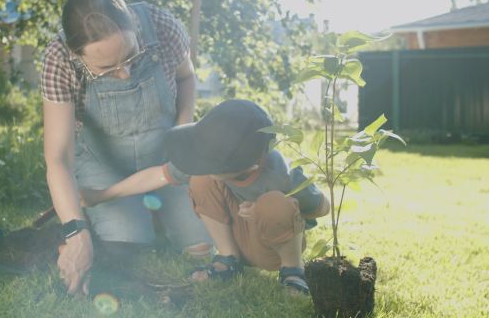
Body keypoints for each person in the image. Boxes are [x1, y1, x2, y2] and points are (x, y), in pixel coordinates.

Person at [41, 0, 211, 295]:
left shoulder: (161, 24)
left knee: (201, 244)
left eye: (131, 56)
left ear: (133, 24)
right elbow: (57, 158)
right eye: (106, 69)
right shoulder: (58, 59)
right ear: (76, 56)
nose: (125, 74)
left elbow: (186, 76)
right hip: (103, 164)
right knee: (127, 244)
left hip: (165, 153)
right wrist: (76, 234)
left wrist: (183, 131)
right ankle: (137, 216)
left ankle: (154, 211)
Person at [83, 99, 331, 295]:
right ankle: (227, 259)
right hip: (234, 234)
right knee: (200, 177)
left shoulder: (282, 175)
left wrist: (263, 211)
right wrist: (101, 195)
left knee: (274, 203)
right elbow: (156, 176)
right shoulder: (209, 161)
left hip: (271, 248)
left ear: (252, 166)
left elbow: (322, 207)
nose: (203, 163)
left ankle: (293, 272)